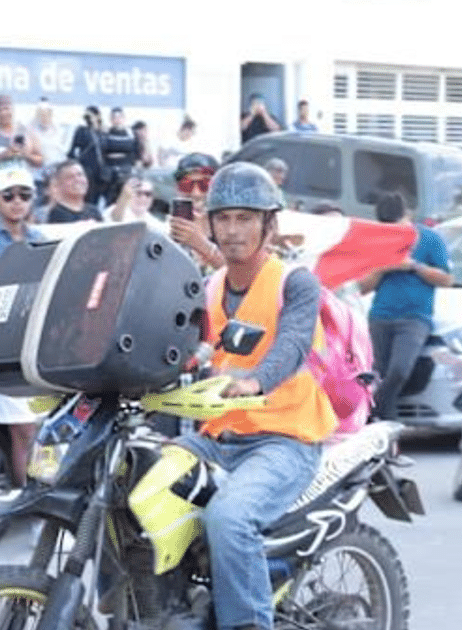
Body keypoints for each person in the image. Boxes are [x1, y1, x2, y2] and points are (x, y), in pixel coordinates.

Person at [176, 161, 335, 630]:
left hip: (283, 439)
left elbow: (292, 345)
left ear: (270, 225)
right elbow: (179, 351)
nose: (232, 229)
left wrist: (254, 380)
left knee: (229, 519)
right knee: (131, 486)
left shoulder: (295, 282)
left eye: (245, 218)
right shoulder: (207, 288)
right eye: (223, 218)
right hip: (217, 437)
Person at [356, 192, 453, 422]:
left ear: (407, 215)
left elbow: (446, 279)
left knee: (399, 370)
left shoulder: (430, 239)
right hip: (381, 314)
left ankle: (372, 414)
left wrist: (414, 266)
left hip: (414, 316)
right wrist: (383, 268)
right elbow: (362, 286)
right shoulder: (378, 241)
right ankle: (385, 425)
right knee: (376, 373)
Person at [0, 166, 42, 488]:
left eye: (24, 195)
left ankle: (41, 506)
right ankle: (31, 506)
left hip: (36, 348)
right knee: (25, 431)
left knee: (42, 433)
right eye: (9, 195)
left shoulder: (38, 238)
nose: (17, 202)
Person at [0, 94, 44, 197]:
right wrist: (3, 156)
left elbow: (40, 161)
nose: (3, 113)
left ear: (12, 109)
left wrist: (25, 155)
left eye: (6, 108)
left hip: (23, 192)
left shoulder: (26, 131)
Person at [168, 152, 225, 269]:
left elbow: (240, 275)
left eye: (204, 185)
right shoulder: (169, 231)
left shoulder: (232, 227)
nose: (196, 193)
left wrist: (199, 243)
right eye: (187, 185)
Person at [67, 105, 108, 205]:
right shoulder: (82, 131)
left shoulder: (104, 132)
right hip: (87, 170)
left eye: (91, 115)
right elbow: (72, 152)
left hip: (102, 173)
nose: (89, 118)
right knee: (88, 200)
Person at [102, 106, 139, 203]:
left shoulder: (130, 134)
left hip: (125, 170)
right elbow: (102, 150)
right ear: (110, 119)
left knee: (126, 197)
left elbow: (135, 151)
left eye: (119, 117)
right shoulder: (106, 133)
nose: (117, 119)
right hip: (109, 172)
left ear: (123, 118)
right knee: (109, 199)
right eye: (114, 117)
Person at [29, 97, 69, 167]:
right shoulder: (31, 129)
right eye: (41, 112)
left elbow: (62, 151)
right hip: (40, 168)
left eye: (47, 112)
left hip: (57, 166)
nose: (44, 115)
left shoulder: (58, 128)